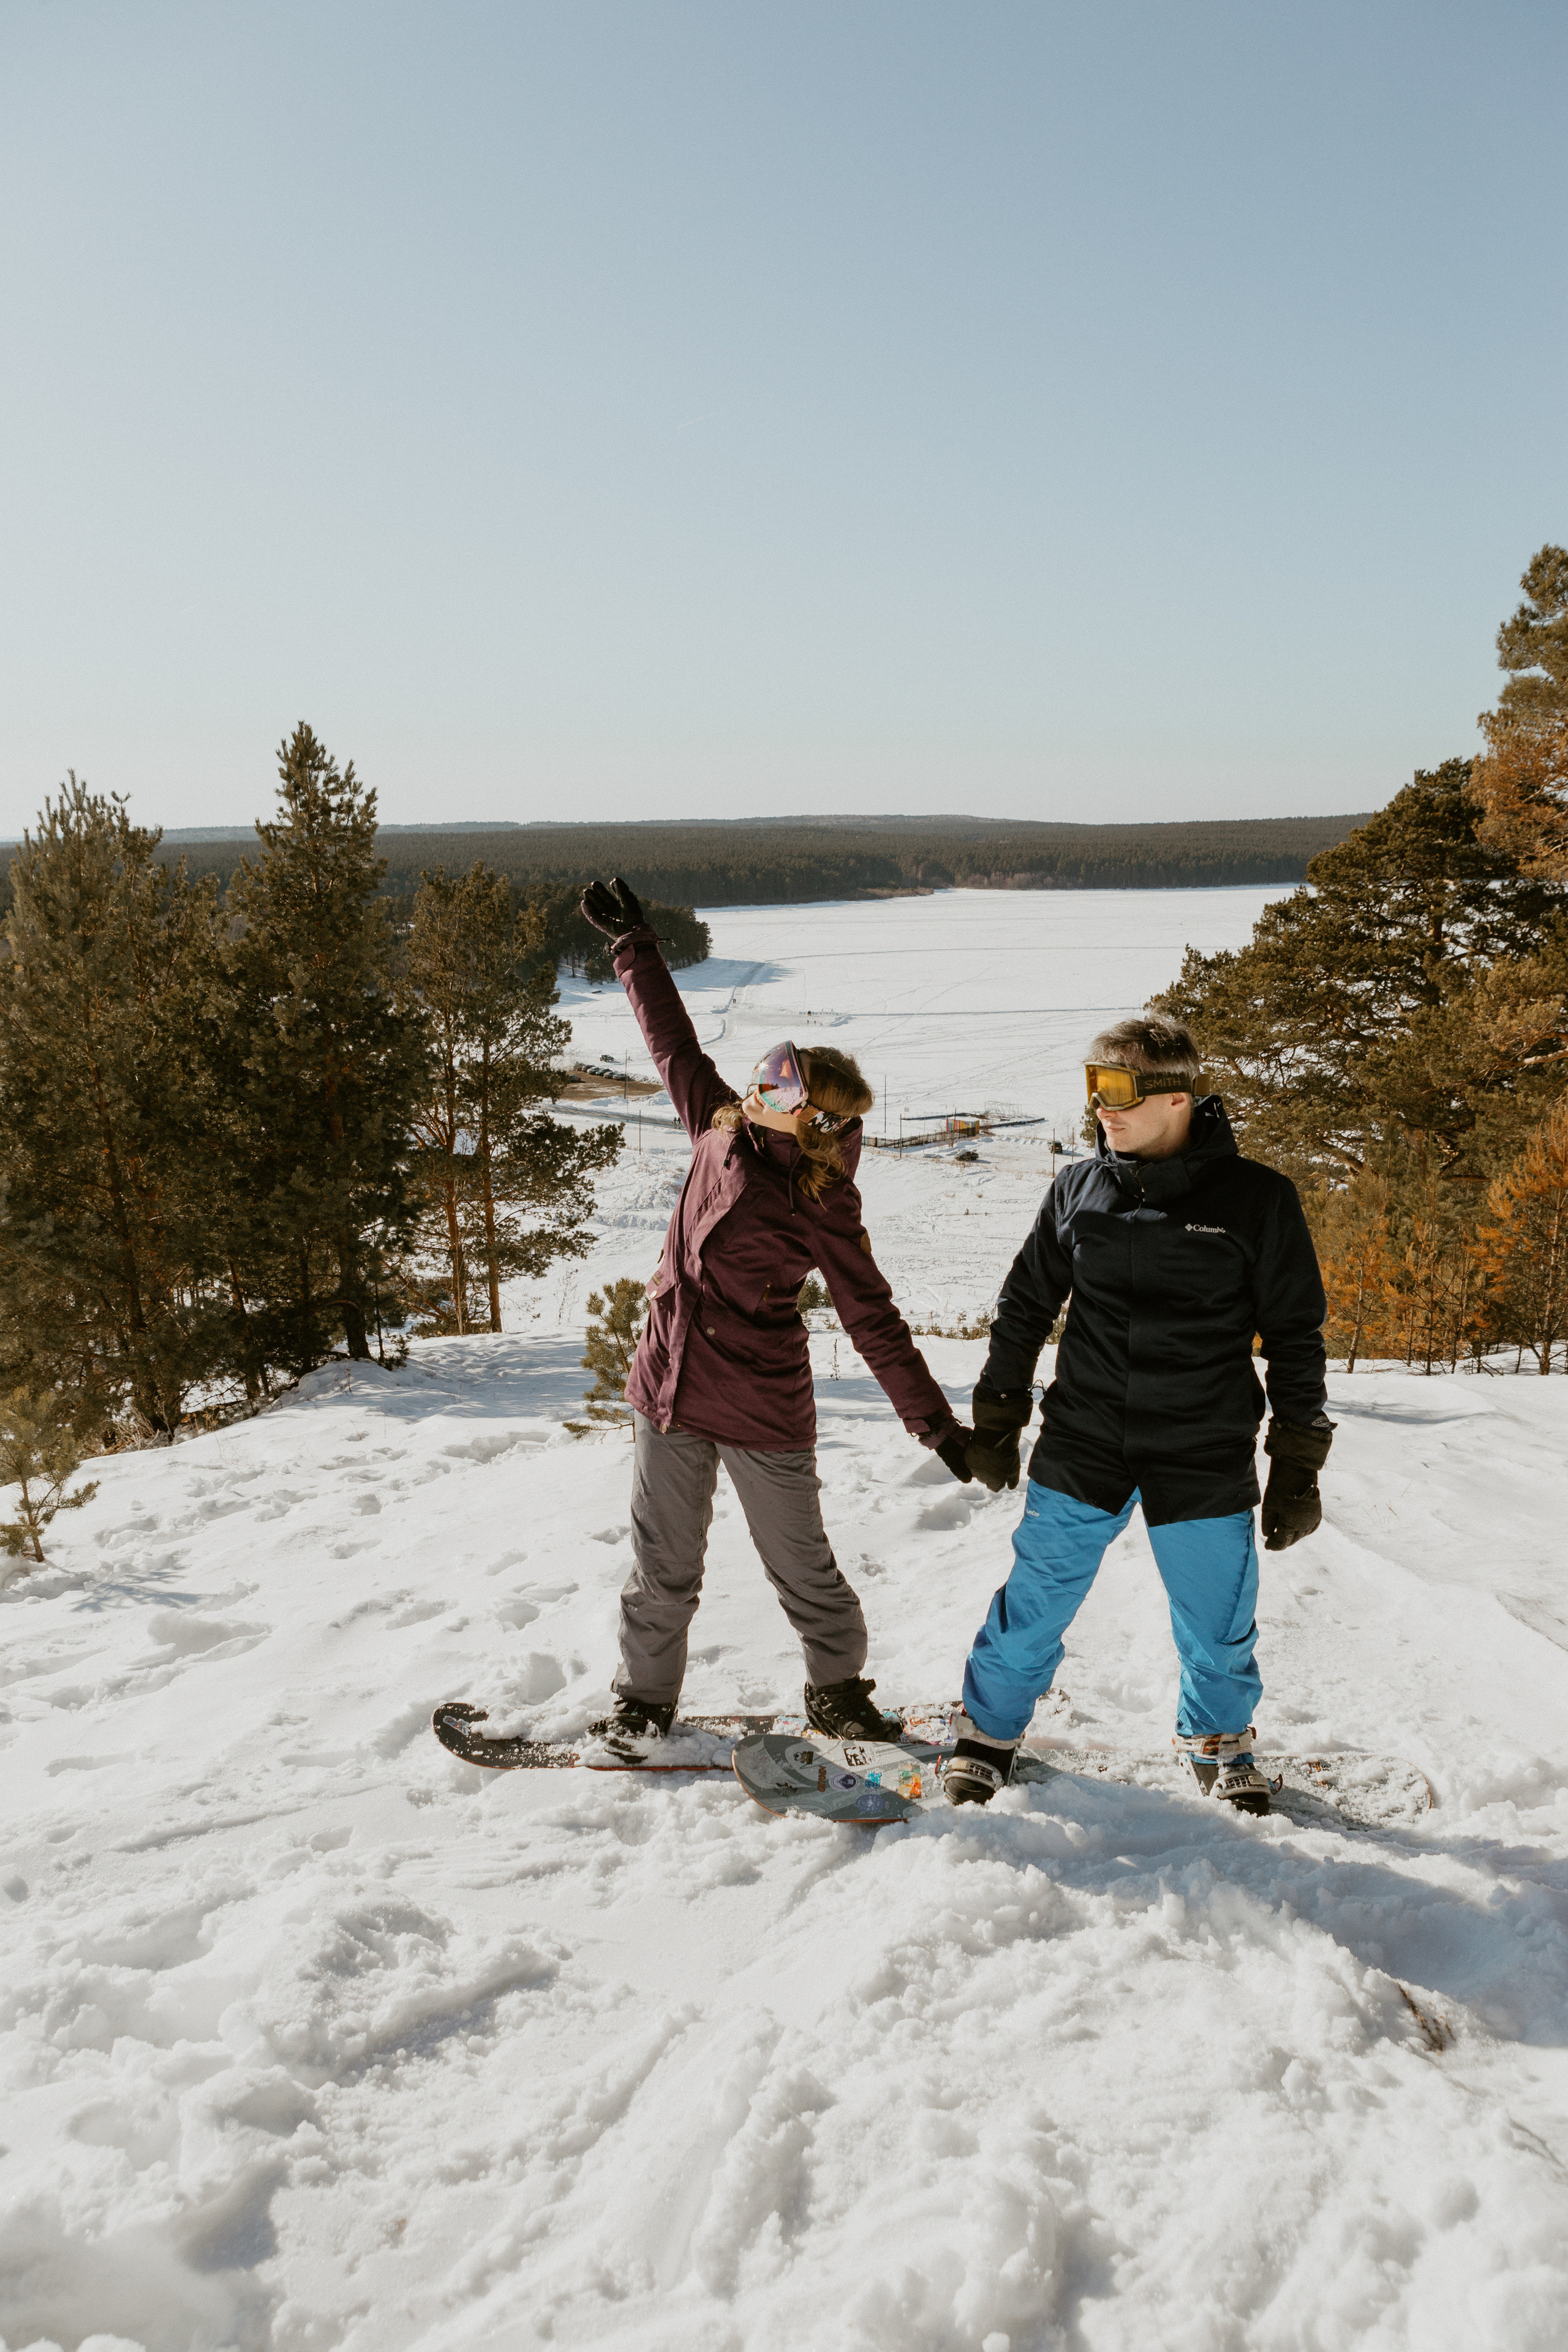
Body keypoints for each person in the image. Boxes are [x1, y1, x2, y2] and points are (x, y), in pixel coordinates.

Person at [578, 875, 974, 1757]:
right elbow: (672, 1043)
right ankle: (643, 1703)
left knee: (802, 1568)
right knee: (661, 1569)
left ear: (813, 1116)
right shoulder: (719, 1125)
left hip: (761, 1405)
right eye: (770, 1068)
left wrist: (940, 1429)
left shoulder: (821, 1199)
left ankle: (838, 1692)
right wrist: (635, 944)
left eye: (781, 1079)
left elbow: (873, 1319)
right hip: (668, 1388)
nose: (763, 1081)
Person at [946, 1014, 1332, 1815]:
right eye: (1093, 1088)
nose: (1102, 1109)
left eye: (1117, 1089)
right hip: (1087, 1434)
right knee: (1036, 1599)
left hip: (1203, 1443)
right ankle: (988, 1731)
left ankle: (1217, 1740)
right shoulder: (1079, 1188)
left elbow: (1296, 1334)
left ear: (1178, 1097)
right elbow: (1025, 1305)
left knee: (1218, 1620)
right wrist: (997, 1414)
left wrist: (1298, 1461)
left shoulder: (1258, 1200)